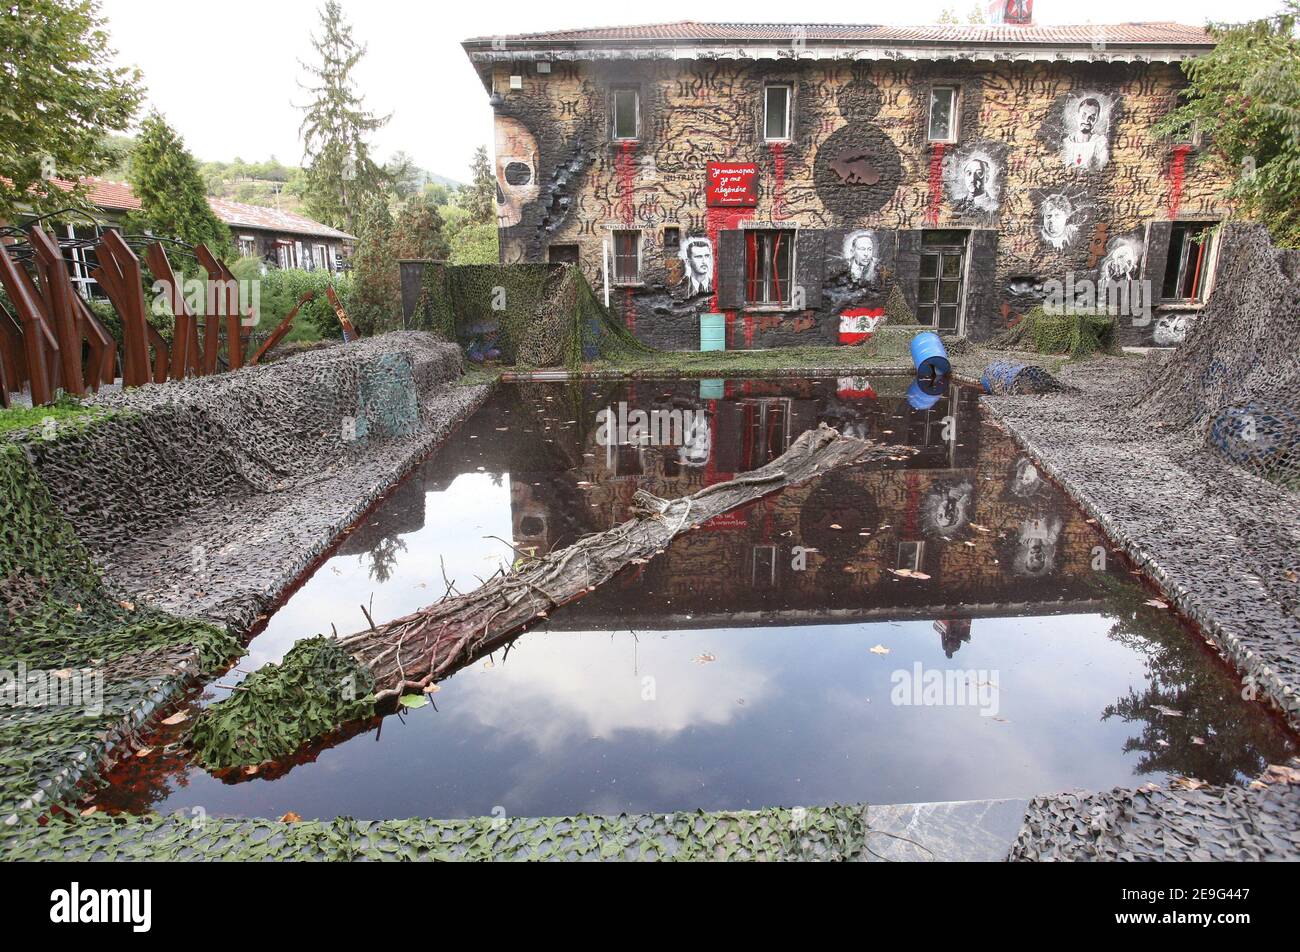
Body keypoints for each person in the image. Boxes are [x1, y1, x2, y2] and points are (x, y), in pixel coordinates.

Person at [1062, 97, 1109, 170]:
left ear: (1097, 119)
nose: (1087, 121)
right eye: (1084, 115)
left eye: (1092, 117)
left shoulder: (1100, 143)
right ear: (1077, 116)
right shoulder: (1066, 143)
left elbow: (1102, 167)